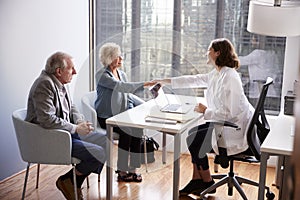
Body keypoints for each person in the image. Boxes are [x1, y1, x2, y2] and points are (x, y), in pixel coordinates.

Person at [157, 38, 254, 196]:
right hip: (223, 123)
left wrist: (206, 110)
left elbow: (231, 113)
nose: (206, 53)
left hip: (232, 129)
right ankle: (198, 180)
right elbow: (194, 80)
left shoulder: (230, 77)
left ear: (217, 53)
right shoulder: (218, 73)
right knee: (191, 136)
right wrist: (163, 81)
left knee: (194, 140)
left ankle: (207, 181)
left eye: (209, 49)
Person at [25, 52, 106, 200]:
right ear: (59, 71)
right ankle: (68, 181)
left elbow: (72, 107)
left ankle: (72, 182)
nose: (75, 72)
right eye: (71, 68)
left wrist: (80, 122)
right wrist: (75, 128)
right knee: (98, 153)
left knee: (105, 141)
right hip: (50, 139)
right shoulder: (44, 84)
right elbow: (47, 119)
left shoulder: (60, 83)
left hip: (65, 134)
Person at [95, 42, 156, 182]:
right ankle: (122, 171)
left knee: (137, 128)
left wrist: (131, 111)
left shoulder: (121, 73)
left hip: (121, 115)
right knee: (127, 130)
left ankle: (132, 169)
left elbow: (128, 95)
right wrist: (144, 84)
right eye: (118, 56)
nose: (121, 58)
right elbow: (121, 87)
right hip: (106, 117)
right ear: (110, 58)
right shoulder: (102, 75)